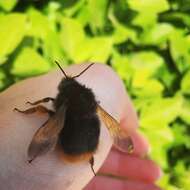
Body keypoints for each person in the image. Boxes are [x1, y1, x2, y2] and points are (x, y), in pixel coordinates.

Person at [0, 63, 161, 190]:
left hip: (70, 148)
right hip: (86, 148)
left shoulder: (62, 103)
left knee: (53, 118)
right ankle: (89, 159)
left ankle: (44, 154)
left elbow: (48, 125)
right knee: (87, 122)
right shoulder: (92, 101)